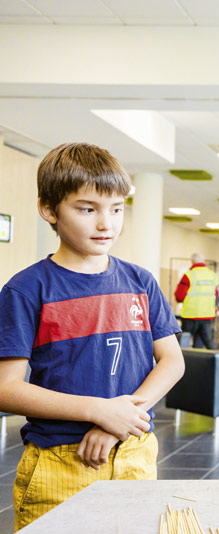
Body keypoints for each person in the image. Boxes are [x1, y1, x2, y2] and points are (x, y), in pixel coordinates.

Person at [0, 142, 185, 530]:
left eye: (117, 209)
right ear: (49, 209)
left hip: (133, 450)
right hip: (60, 462)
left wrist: (118, 419)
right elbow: (6, 388)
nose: (107, 223)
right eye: (87, 209)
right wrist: (98, 411)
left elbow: (172, 360)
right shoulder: (26, 289)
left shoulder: (141, 282)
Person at [174, 252, 219, 349]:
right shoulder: (213, 275)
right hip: (207, 315)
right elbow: (216, 295)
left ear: (192, 261)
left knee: (183, 342)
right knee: (206, 342)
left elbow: (179, 296)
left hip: (190, 315)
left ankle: (183, 363)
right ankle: (218, 362)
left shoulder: (189, 275)